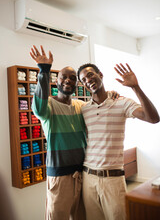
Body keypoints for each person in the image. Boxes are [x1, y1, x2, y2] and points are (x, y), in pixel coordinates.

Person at [77, 63, 159, 220]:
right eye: (83, 80)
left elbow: (153, 118)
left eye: (90, 75)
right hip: (88, 178)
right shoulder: (84, 109)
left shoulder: (122, 102)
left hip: (113, 179)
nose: (88, 80)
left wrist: (136, 87)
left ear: (100, 74)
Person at [30, 45, 87, 220]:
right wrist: (44, 70)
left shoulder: (82, 106)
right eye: (64, 77)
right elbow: (38, 108)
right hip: (60, 177)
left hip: (83, 175)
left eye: (72, 78)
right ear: (57, 82)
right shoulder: (48, 106)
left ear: (77, 83)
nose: (68, 81)